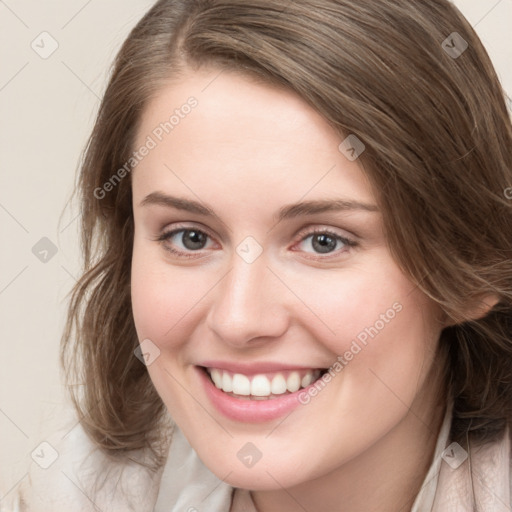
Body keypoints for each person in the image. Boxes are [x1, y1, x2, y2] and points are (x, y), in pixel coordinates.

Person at [5, 0, 512, 510]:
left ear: (471, 267)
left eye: (323, 241)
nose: (238, 319)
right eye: (191, 237)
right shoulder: (73, 494)